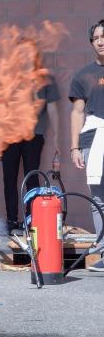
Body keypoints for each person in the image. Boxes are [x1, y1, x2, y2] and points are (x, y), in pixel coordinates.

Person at [0, 41, 60, 234]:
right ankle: (11, 221)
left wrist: (57, 137)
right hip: (9, 137)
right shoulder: (8, 77)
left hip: (34, 136)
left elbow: (52, 109)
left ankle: (31, 220)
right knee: (9, 179)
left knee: (31, 178)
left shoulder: (45, 78)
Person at [68, 19, 104, 272]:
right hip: (94, 138)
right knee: (99, 199)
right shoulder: (83, 75)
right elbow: (77, 113)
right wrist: (75, 147)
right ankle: (103, 249)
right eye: (96, 38)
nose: (101, 42)